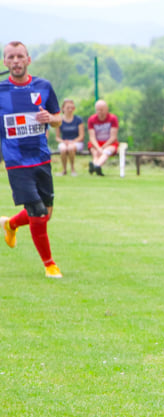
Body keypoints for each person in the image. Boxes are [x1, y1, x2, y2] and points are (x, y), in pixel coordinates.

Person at [0, 41, 63, 278]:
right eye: (10, 57)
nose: (15, 61)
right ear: (5, 62)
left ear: (28, 59)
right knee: (37, 212)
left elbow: (58, 119)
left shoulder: (43, 86)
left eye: (19, 56)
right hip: (16, 162)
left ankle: (10, 224)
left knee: (46, 213)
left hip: (41, 158)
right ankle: (49, 265)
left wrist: (51, 118)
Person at [87, 99, 118, 176]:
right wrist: (98, 148)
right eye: (98, 110)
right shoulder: (91, 119)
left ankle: (96, 165)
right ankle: (96, 166)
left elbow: (113, 137)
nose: (100, 112)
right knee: (95, 152)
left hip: (109, 143)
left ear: (106, 109)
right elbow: (92, 137)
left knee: (106, 152)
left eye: (102, 110)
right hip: (96, 143)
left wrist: (103, 147)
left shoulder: (112, 118)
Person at [55, 98, 84, 176]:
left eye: (72, 108)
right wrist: (63, 142)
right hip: (64, 142)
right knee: (63, 149)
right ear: (63, 108)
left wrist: (72, 142)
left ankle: (72, 169)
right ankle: (64, 170)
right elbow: (57, 137)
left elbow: (81, 136)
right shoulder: (59, 120)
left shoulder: (78, 120)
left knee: (71, 148)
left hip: (76, 142)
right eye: (68, 108)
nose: (70, 109)